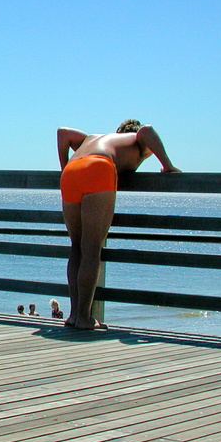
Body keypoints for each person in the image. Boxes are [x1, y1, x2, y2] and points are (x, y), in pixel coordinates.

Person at [57, 119, 181, 330]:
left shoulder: (92, 137)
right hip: (98, 167)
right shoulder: (136, 140)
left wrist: (63, 167)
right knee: (91, 249)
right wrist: (167, 166)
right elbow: (147, 130)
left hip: (71, 171)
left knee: (76, 247)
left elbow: (63, 133)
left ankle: (73, 315)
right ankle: (84, 317)